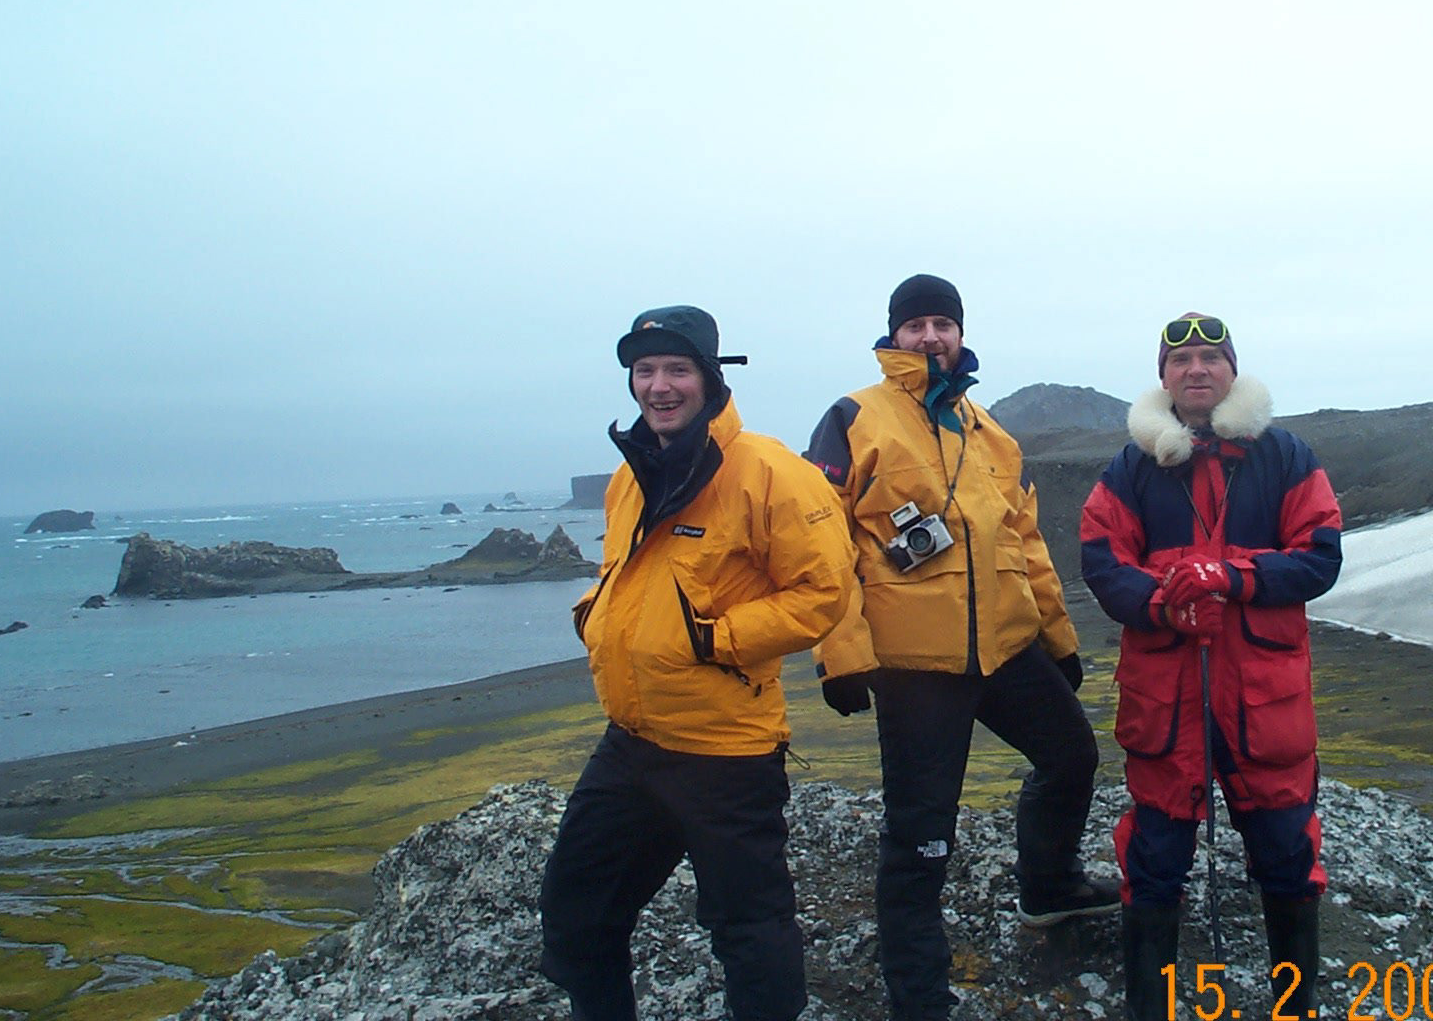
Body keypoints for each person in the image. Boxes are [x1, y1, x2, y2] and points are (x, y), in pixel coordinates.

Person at [807, 273, 1119, 1021]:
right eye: (914, 325)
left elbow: (1024, 540)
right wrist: (840, 652)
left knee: (1073, 755)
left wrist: (1057, 635)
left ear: (959, 333)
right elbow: (819, 541)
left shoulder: (990, 433)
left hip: (1007, 651)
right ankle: (919, 996)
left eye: (942, 323)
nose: (930, 337)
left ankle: (1049, 890)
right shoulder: (855, 418)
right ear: (893, 336)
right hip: (916, 670)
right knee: (921, 837)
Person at [539, 305, 857, 1021]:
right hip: (632, 741)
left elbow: (824, 591)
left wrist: (715, 640)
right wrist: (596, 615)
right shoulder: (631, 474)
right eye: (644, 370)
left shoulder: (771, 472)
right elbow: (624, 570)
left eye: (676, 369)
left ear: (710, 378)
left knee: (750, 932)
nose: (659, 386)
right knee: (575, 914)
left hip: (724, 753)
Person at [1079, 313, 1342, 1021]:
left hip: (1265, 703)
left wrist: (1230, 579)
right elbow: (1102, 563)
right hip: (1166, 703)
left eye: (1210, 358)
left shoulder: (1287, 456)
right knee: (1155, 860)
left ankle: (1295, 1007)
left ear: (1231, 370)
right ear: (1162, 378)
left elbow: (1320, 556)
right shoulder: (1131, 468)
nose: (1196, 370)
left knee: (1289, 854)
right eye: (1181, 360)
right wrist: (1167, 604)